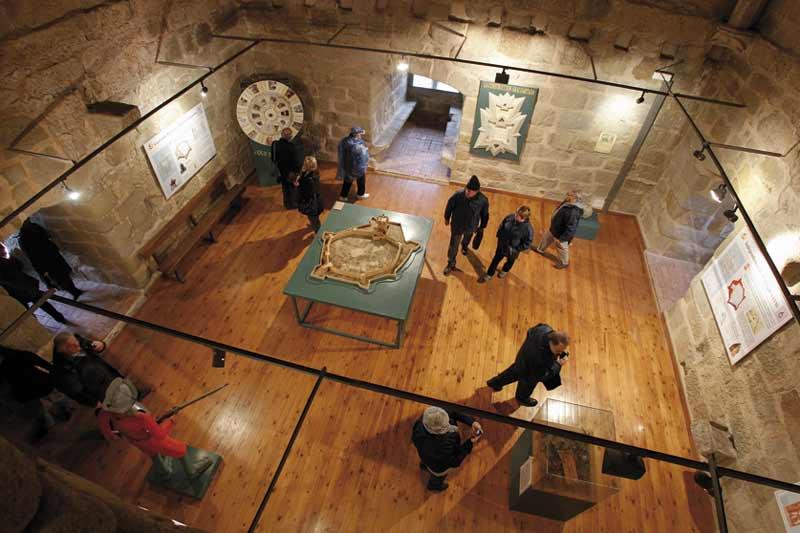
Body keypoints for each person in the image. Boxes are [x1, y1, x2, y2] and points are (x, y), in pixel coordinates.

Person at [96, 379, 211, 480]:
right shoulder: (141, 417)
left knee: (153, 454)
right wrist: (170, 421)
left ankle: (164, 472)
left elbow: (103, 423)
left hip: (135, 441)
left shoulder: (107, 412)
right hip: (151, 440)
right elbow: (160, 435)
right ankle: (192, 471)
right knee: (179, 449)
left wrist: (111, 435)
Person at [52, 331, 149, 407]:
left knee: (121, 383)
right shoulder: (63, 371)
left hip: (104, 370)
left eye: (76, 341)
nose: (78, 345)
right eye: (74, 345)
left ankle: (135, 394)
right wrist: (94, 403)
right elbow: (77, 392)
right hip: (98, 388)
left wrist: (100, 345)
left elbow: (89, 344)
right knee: (119, 402)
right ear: (65, 349)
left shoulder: (75, 341)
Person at [0, 345, 74, 440]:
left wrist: (52, 370)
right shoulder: (14, 357)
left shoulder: (15, 357)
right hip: (29, 389)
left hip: (38, 384)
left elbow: (36, 360)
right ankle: (50, 420)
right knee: (39, 407)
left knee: (55, 397)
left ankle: (66, 408)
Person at [486, 324, 570, 407]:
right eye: (558, 351)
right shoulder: (542, 359)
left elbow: (530, 331)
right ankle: (521, 398)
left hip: (521, 359)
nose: (560, 353)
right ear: (551, 343)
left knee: (511, 373)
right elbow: (543, 376)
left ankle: (495, 383)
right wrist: (558, 364)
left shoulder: (544, 328)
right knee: (525, 388)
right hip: (529, 374)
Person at [411, 406, 483, 492]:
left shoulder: (423, 422)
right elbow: (455, 461)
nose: (450, 424)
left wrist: (471, 422)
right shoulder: (443, 446)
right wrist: (470, 442)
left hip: (426, 456)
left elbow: (452, 411)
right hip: (438, 467)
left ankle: (424, 466)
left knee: (427, 463)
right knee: (437, 477)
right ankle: (434, 485)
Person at [0, 243, 68, 323]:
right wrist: (9, 258)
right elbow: (18, 266)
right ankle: (59, 318)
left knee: (29, 310)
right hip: (22, 288)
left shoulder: (4, 261)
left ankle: (51, 320)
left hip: (18, 290)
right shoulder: (4, 262)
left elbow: (19, 266)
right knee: (40, 305)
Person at [19, 218, 83, 299]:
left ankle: (74, 291)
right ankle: (74, 291)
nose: (29, 220)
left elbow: (31, 255)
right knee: (60, 276)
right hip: (46, 258)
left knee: (61, 276)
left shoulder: (28, 233)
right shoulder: (28, 233)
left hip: (48, 256)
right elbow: (32, 255)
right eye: (27, 220)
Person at [443, 175, 489, 276]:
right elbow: (449, 206)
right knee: (453, 246)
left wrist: (482, 227)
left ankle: (464, 247)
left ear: (477, 191)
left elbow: (485, 215)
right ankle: (451, 263)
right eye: (467, 190)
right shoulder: (458, 195)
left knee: (467, 239)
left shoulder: (483, 201)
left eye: (471, 191)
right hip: (457, 225)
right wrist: (446, 218)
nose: (468, 192)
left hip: (471, 226)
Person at [479, 205, 534, 283]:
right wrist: (499, 236)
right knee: (495, 260)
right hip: (502, 245)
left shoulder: (528, 229)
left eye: (517, 215)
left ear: (523, 218)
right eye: (516, 213)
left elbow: (527, 243)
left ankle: (504, 270)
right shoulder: (510, 217)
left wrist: (517, 248)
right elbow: (502, 226)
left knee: (510, 262)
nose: (515, 216)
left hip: (513, 250)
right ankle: (489, 274)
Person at [535, 191, 584, 270]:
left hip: (561, 234)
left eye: (569, 195)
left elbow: (571, 228)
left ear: (575, 198)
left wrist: (562, 239)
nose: (567, 195)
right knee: (546, 238)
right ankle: (540, 250)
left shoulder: (573, 212)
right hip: (555, 228)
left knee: (562, 248)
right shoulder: (567, 202)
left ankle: (564, 262)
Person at [271, 127, 302, 209]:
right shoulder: (291, 147)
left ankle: (286, 204)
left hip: (281, 171)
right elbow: (295, 162)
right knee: (292, 188)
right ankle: (293, 204)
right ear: (289, 136)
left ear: (282, 135)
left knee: (284, 188)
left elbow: (273, 158)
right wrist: (298, 172)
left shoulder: (274, 144)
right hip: (290, 172)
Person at [337, 126, 370, 201]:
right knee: (361, 179)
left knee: (348, 181)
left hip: (347, 164)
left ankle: (343, 196)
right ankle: (360, 194)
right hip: (356, 166)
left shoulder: (345, 140)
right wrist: (364, 150)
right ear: (356, 134)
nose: (361, 136)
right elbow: (362, 155)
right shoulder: (355, 145)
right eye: (360, 134)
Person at [294, 156, 324, 232]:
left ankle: (318, 231)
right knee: (314, 217)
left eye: (304, 164)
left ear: (306, 166)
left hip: (311, 203)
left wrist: (297, 185)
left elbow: (306, 193)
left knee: (313, 218)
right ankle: (314, 225)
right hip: (315, 201)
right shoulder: (314, 173)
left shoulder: (309, 180)